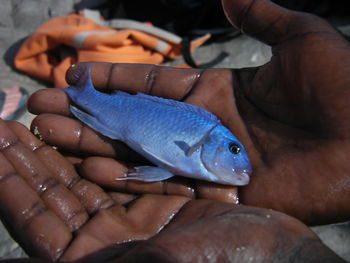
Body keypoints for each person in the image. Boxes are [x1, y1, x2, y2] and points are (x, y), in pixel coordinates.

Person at [0, 0, 349, 261]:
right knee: (85, 113)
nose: (240, 163)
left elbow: (163, 166)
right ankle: (81, 94)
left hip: (130, 129)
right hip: (122, 117)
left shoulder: (205, 153)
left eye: (235, 151)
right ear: (215, 144)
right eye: (234, 150)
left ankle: (78, 95)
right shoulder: (201, 139)